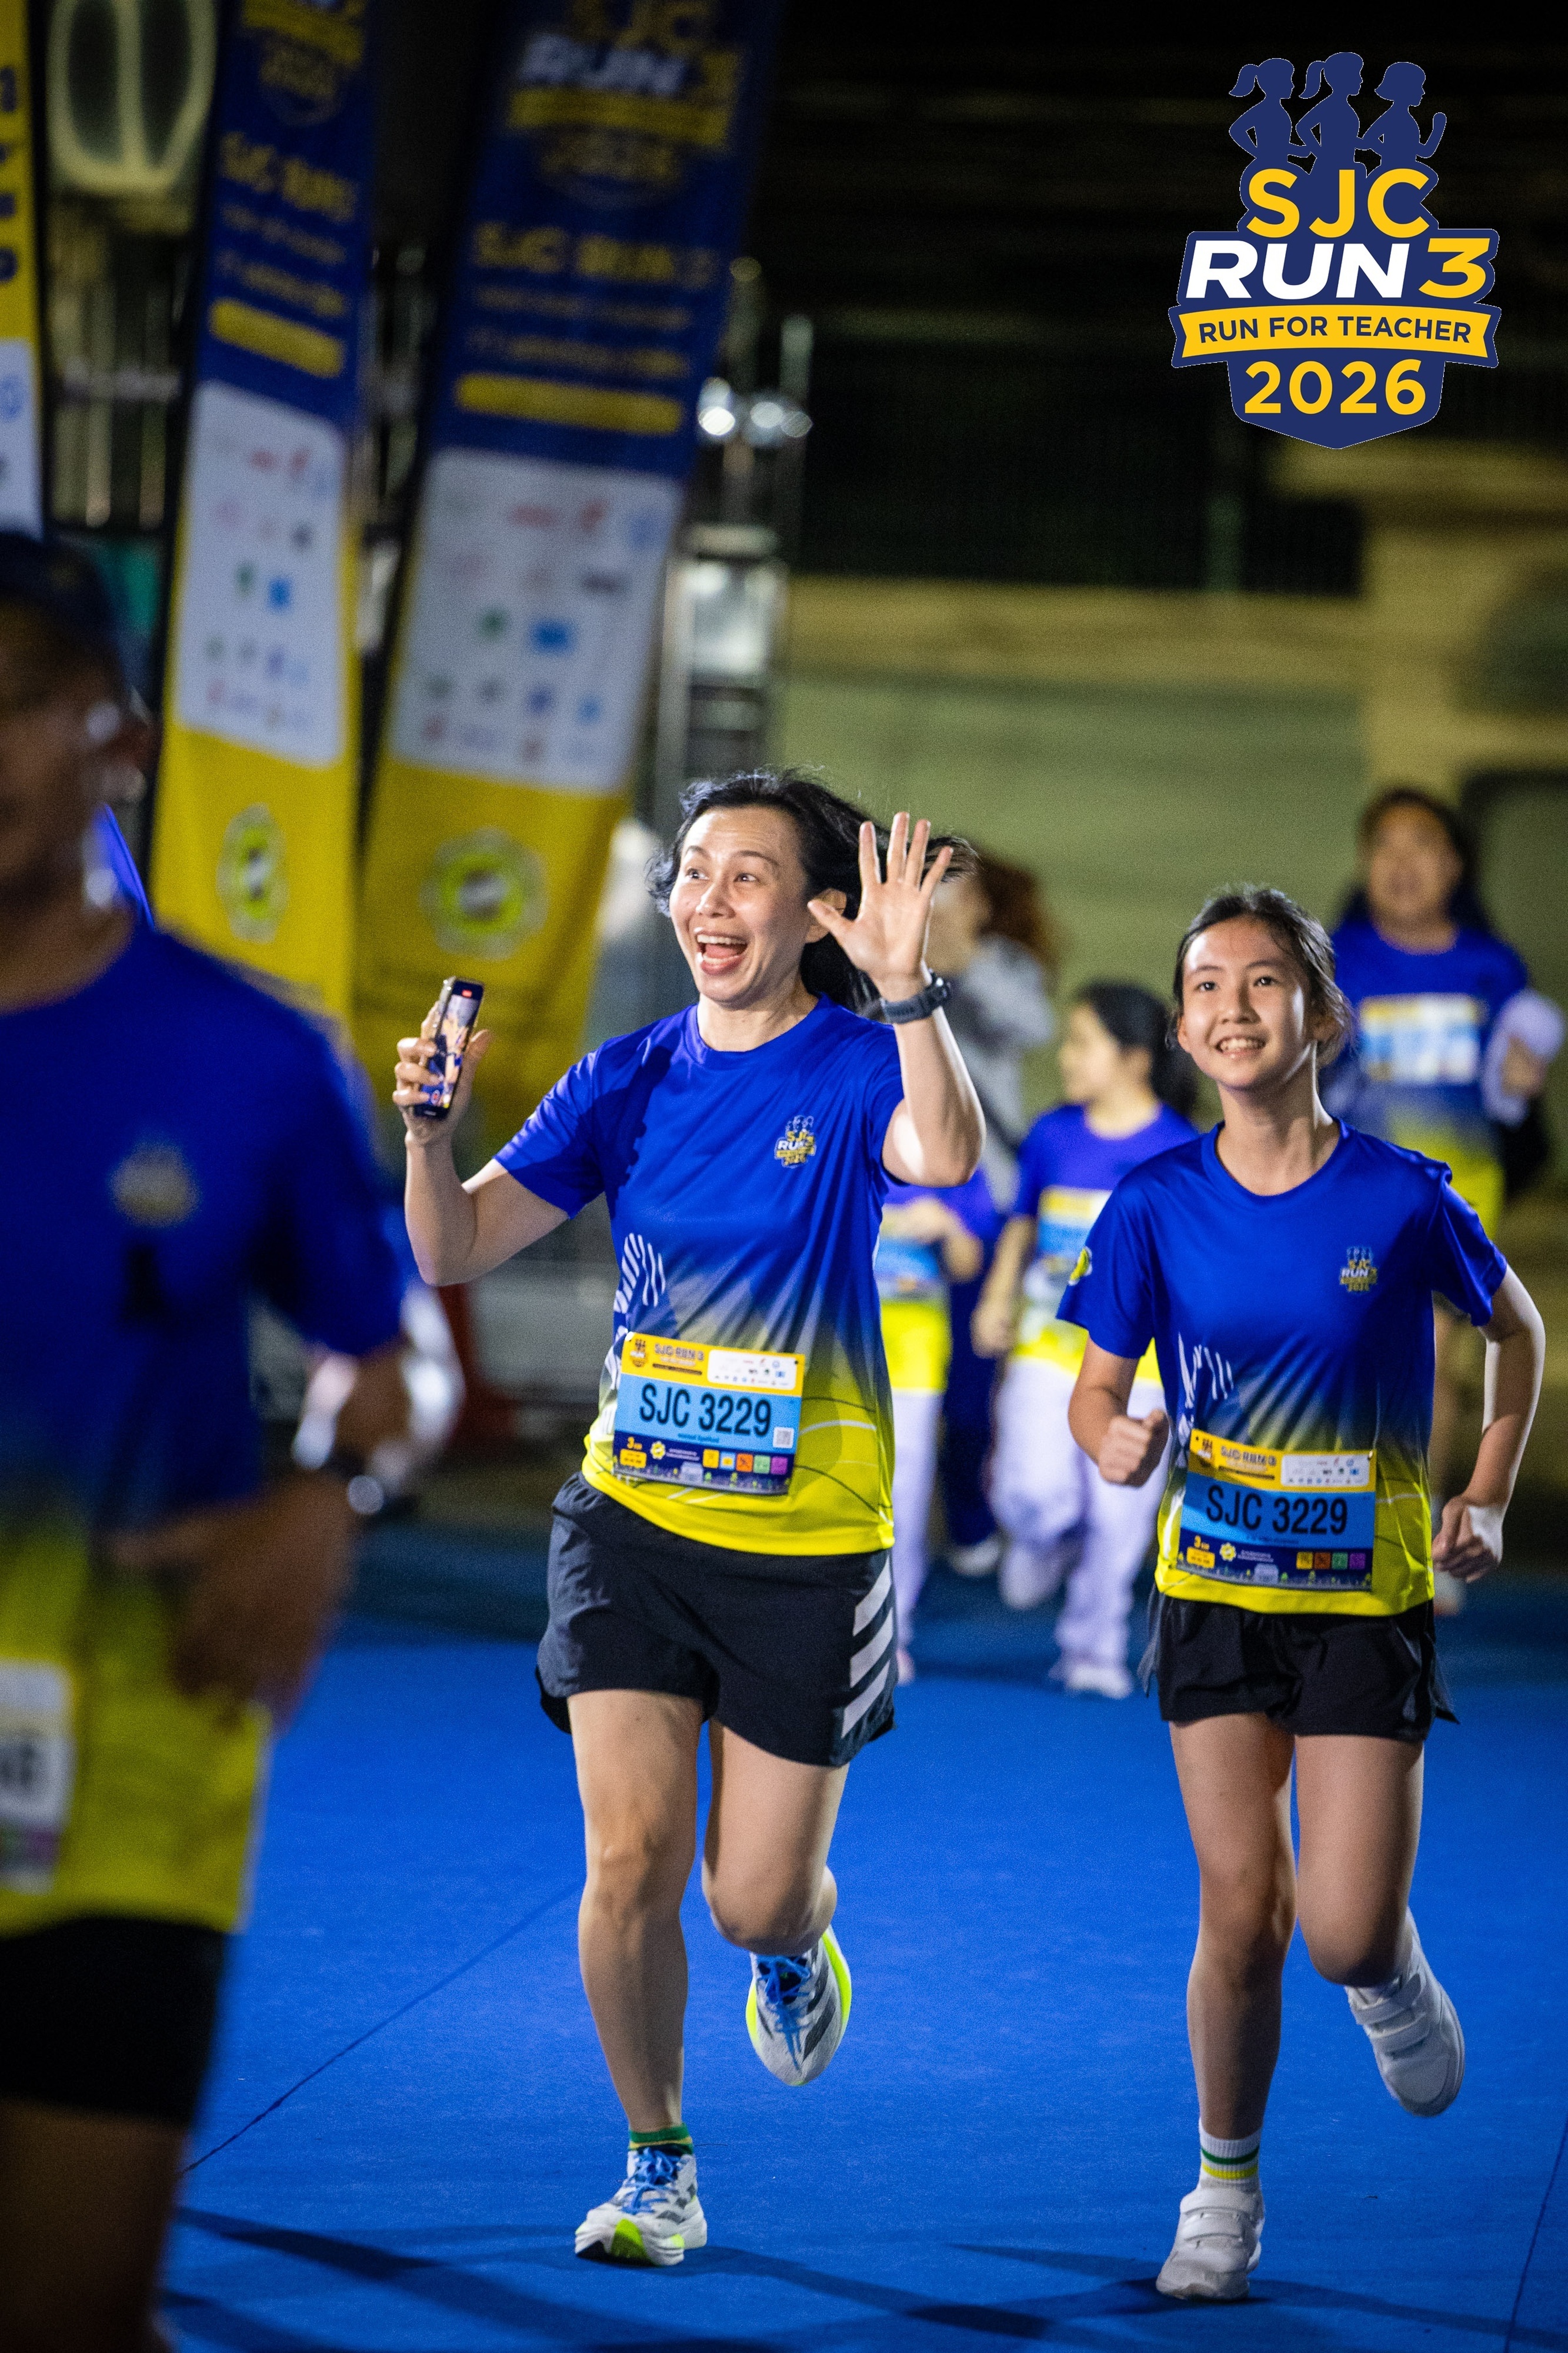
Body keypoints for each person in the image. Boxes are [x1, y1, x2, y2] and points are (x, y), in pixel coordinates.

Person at [396, 769, 983, 2269]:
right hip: (631, 1523)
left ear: (815, 913)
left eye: (746, 876)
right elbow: (455, 1245)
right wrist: (428, 1133)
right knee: (626, 1862)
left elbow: (946, 1157)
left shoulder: (858, 1063)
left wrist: (908, 991)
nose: (707, 902)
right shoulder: (625, 1077)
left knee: (748, 1896)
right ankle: (658, 2162)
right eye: (692, 870)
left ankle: (793, 1944)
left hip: (805, 1545)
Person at [0, 531, 412, 2351]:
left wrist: (326, 1495)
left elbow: (392, 1365)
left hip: (125, 1780)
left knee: (69, 2311)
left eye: (20, 701)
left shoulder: (247, 1059)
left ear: (122, 740)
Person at [1060, 885, 1543, 2304]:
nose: (1230, 1006)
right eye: (1204, 984)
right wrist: (1110, 1438)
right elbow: (1092, 1389)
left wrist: (1487, 1487)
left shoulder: (1400, 1195)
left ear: (1320, 1015)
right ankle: (1221, 2192)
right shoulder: (1151, 1203)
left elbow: (1514, 1330)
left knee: (1339, 1930)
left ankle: (1388, 1974)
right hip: (1211, 1592)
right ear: (1181, 1026)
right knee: (1239, 1910)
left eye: (1261, 980)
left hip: (1362, 1601)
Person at [1326, 786, 1562, 1605]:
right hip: (1352, 1189)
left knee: (1428, 1356)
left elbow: (1517, 1072)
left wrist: (1525, 1073)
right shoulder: (1332, 958)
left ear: (1454, 865)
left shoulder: (1490, 967)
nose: (1401, 864)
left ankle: (1413, 1528)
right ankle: (1334, 1519)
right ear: (1363, 864)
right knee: (1341, 1354)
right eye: (1383, 847)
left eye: (1420, 845)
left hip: (1454, 1194)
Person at [972, 984, 1197, 1695]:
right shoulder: (1051, 1135)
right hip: (1046, 1348)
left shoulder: (1182, 1150)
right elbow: (1021, 1224)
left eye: (1081, 1043)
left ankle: (1092, 1649)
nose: (1065, 1057)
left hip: (1141, 1367)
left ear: (1134, 1060)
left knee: (1118, 1512)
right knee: (1032, 1491)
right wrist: (996, 1296)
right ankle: (1044, 1535)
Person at [925, 851, 1057, 1573]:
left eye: (955, 895)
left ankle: (969, 1518)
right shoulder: (877, 965)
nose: (940, 909)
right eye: (929, 893)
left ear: (980, 906)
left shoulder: (1003, 964)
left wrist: (964, 965)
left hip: (988, 1197)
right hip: (901, 1204)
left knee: (971, 1389)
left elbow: (1032, 1025)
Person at [875, 1173, 994, 1679]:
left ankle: (891, 1634)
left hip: (914, 1361)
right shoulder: (823, 1140)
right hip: (828, 1347)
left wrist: (948, 1226)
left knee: (903, 1498)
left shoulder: (949, 1160)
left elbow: (969, 1264)